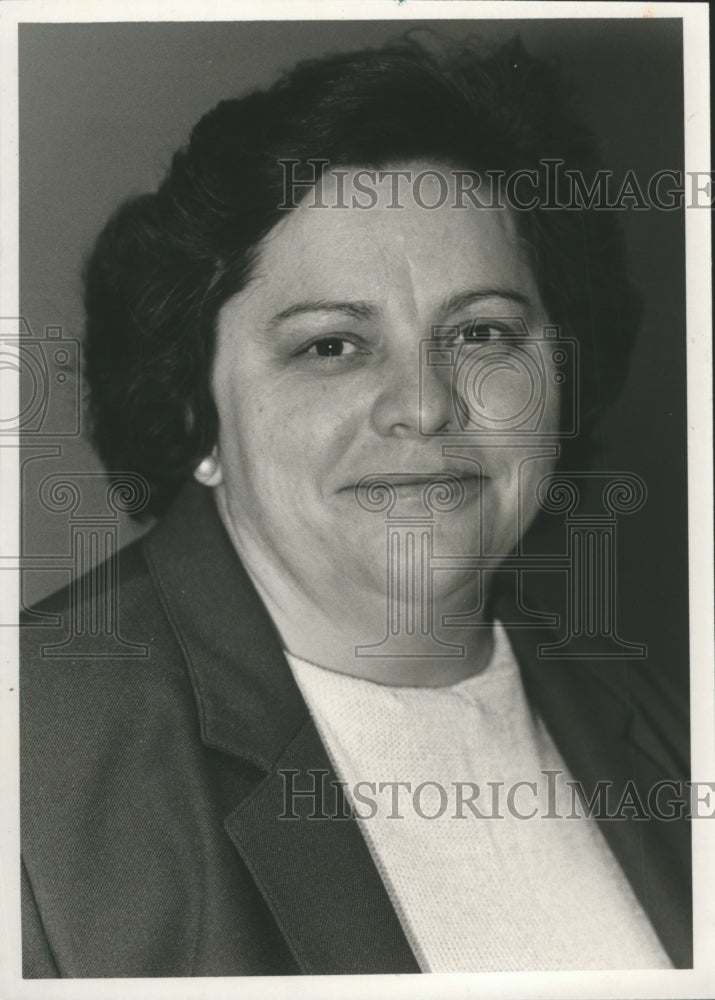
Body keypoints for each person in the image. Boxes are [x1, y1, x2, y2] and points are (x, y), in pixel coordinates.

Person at [20, 35, 691, 977]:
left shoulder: (666, 721)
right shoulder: (34, 757)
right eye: (330, 346)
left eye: (483, 332)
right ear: (192, 408)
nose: (422, 405)